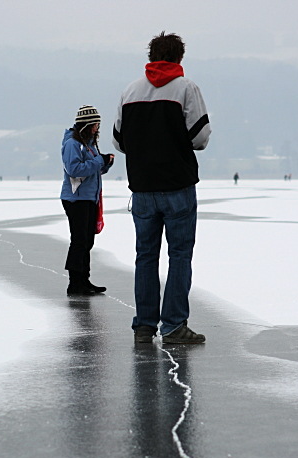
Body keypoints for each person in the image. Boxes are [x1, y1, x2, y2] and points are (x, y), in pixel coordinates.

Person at [113, 31, 211, 344]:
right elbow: (200, 137)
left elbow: (118, 140)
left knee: (146, 256)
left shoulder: (130, 91)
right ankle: (173, 326)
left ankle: (144, 325)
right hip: (178, 185)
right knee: (179, 256)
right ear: (179, 58)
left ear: (151, 57)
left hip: (142, 188)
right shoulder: (186, 88)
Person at [61, 105, 114, 296]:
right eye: (95, 124)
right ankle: (74, 283)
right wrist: (100, 161)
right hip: (76, 199)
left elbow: (90, 170)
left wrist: (104, 164)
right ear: (87, 124)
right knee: (79, 240)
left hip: (89, 198)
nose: (97, 128)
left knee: (87, 240)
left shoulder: (89, 144)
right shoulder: (72, 144)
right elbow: (74, 169)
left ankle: (84, 280)